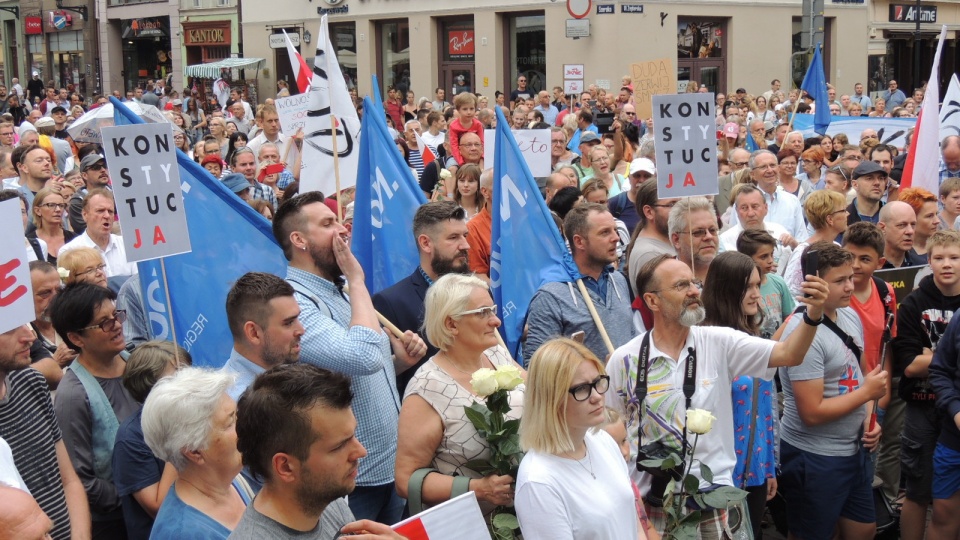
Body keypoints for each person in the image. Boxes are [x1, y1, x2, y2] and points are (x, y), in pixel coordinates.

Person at [605, 253, 827, 535]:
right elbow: (609, 435)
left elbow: (789, 354)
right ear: (652, 301)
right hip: (652, 504)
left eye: (694, 283)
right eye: (681, 285)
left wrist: (813, 315)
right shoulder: (623, 360)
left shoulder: (719, 342)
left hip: (713, 498)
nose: (694, 291)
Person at [274, 192, 426, 523]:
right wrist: (357, 281)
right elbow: (362, 356)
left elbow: (362, 368)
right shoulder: (296, 304)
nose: (342, 229)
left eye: (339, 221)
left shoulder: (338, 289)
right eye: (328, 223)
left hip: (388, 467)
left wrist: (398, 361)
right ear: (299, 239)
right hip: (353, 483)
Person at [777, 242, 887, 540]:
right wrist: (867, 395)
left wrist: (869, 418)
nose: (851, 286)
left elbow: (863, 373)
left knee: (863, 530)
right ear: (814, 284)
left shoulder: (848, 314)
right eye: (840, 281)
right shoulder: (803, 335)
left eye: (851, 277)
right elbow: (811, 413)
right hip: (815, 458)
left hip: (854, 450)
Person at [395, 274, 525, 514]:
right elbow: (406, 479)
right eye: (483, 312)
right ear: (451, 324)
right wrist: (478, 488)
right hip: (472, 526)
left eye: (493, 310)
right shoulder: (427, 388)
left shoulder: (496, 354)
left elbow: (541, 395)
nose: (496, 321)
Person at [230, 364, 405, 540]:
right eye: (339, 446)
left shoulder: (323, 500)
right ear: (285, 467)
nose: (361, 451)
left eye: (353, 435)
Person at [515, 338, 637, 539]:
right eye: (581, 388)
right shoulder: (538, 481)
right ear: (551, 399)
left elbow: (633, 523)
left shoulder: (603, 441)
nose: (597, 395)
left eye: (598, 382)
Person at [49, 283, 140, 538]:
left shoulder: (137, 363)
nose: (117, 325)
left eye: (116, 315)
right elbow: (82, 481)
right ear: (76, 338)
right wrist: (142, 495)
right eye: (104, 323)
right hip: (119, 524)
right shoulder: (74, 395)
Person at [701, 251, 778, 539]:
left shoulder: (753, 337)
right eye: (747, 287)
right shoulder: (703, 340)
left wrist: (769, 465)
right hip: (718, 476)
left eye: (759, 285)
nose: (757, 294)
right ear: (725, 289)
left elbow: (765, 409)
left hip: (754, 468)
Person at [892, 231, 960, 540]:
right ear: (928, 261)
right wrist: (946, 358)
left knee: (948, 499)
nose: (947, 265)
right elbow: (908, 364)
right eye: (939, 258)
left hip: (955, 407)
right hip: (921, 404)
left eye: (955, 258)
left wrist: (929, 355)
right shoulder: (914, 303)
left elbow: (924, 361)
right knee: (917, 490)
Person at [0, 323, 92, 540]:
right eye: (9, 329)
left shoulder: (31, 381)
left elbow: (69, 480)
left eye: (23, 324)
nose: (29, 337)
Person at [373, 202, 471, 394]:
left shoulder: (478, 294)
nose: (465, 245)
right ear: (426, 243)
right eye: (453, 237)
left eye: (465, 236)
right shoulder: (391, 302)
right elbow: (382, 381)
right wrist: (401, 362)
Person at [141, 368, 251, 539]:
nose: (244, 425)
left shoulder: (230, 479)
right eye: (230, 422)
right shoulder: (182, 534)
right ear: (194, 452)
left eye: (237, 415)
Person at [524, 203, 635, 363]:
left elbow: (630, 336)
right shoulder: (550, 296)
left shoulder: (618, 280)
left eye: (615, 230)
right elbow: (537, 366)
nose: (616, 238)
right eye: (605, 232)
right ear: (579, 242)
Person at [112, 342, 191, 540]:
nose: (189, 383)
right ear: (152, 388)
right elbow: (159, 507)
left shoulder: (196, 415)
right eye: (177, 377)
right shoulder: (131, 438)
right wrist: (180, 437)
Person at [221, 272, 304, 402]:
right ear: (254, 333)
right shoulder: (232, 408)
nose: (301, 330)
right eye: (288, 323)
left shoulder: (286, 372)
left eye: (298, 318)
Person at [59, 188, 138, 280]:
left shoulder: (128, 245)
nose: (107, 216)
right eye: (100, 211)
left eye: (110, 211)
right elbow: (66, 288)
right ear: (85, 215)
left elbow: (137, 283)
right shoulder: (68, 251)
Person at [783, 190, 850, 296]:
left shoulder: (837, 246)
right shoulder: (802, 252)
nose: (847, 214)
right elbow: (791, 294)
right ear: (830, 219)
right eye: (843, 210)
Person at [669, 196, 718, 283]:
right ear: (676, 240)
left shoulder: (732, 274)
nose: (709, 236)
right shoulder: (662, 280)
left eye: (712, 230)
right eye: (698, 232)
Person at [28, 187, 76, 264]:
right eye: (51, 205)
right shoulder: (29, 242)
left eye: (61, 205)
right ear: (38, 210)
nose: (58, 209)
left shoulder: (74, 239)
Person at [448, 93, 483, 166]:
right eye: (465, 109)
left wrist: (482, 158)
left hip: (476, 156)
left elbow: (482, 143)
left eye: (471, 109)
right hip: (457, 156)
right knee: (452, 168)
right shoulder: (453, 126)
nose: (469, 112)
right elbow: (454, 146)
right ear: (458, 110)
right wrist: (461, 162)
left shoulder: (478, 124)